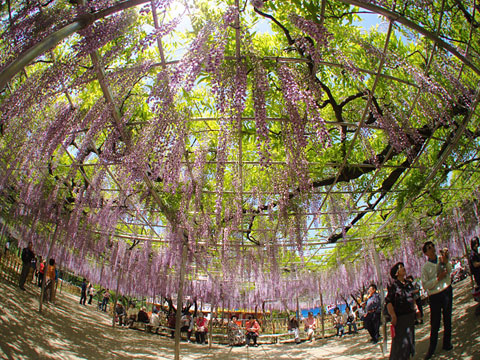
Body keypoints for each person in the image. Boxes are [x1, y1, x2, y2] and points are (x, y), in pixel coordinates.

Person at [421, 241, 453, 359]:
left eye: (433, 246)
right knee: (435, 322)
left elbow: (449, 270)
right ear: (426, 253)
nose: (432, 249)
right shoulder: (425, 267)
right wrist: (437, 279)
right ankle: (431, 349)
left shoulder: (441, 259)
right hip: (435, 296)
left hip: (447, 291)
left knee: (447, 318)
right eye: (429, 248)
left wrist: (446, 261)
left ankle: (447, 343)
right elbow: (425, 285)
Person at [386, 262, 420, 360]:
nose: (404, 268)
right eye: (401, 267)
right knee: (401, 343)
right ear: (396, 273)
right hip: (400, 318)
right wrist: (393, 315)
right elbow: (388, 302)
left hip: (410, 316)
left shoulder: (408, 284)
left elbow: (412, 297)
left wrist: (416, 309)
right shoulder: (394, 286)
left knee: (409, 340)